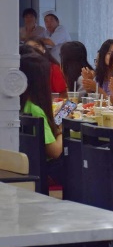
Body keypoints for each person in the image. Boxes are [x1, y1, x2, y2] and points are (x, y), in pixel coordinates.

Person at [20, 52, 64, 182]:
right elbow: (54, 151)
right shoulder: (36, 110)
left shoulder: (24, 105)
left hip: (28, 166)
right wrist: (62, 130)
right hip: (47, 171)